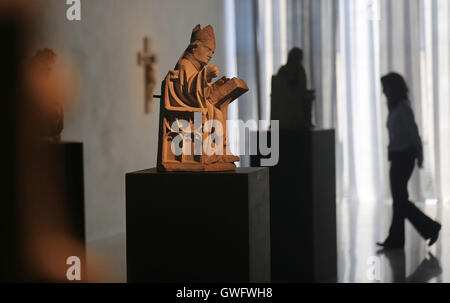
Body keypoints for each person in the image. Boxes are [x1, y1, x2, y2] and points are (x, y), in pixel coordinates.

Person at [377, 72, 441, 249]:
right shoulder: (396, 107)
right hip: (398, 157)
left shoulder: (403, 108)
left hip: (404, 158)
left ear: (394, 88)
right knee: (400, 200)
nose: (383, 91)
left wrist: (420, 156)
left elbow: (414, 133)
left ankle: (429, 228)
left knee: (400, 200)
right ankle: (398, 238)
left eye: (386, 87)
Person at [166, 24, 239, 164]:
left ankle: (221, 151)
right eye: (208, 49)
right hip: (185, 107)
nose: (211, 54)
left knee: (220, 108)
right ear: (194, 47)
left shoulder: (195, 69)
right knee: (216, 113)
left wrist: (218, 86)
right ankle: (212, 152)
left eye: (213, 51)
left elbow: (202, 92)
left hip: (196, 104)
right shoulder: (185, 64)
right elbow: (187, 91)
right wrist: (205, 75)